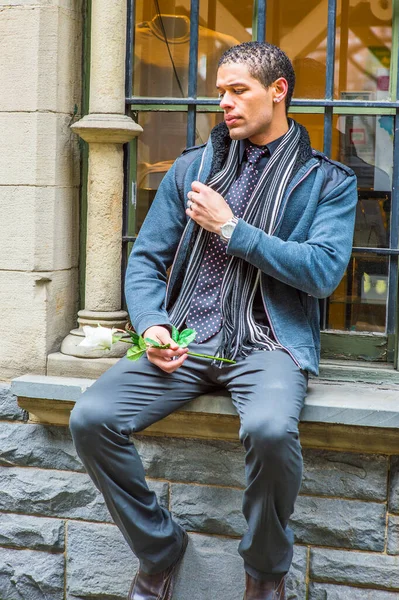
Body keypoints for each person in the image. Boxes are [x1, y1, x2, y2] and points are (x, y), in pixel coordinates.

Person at [70, 41, 358, 600]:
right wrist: (151, 323)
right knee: (91, 417)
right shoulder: (190, 170)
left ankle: (265, 571)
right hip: (185, 343)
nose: (223, 103)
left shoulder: (328, 181)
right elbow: (148, 260)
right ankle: (160, 551)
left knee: (271, 430)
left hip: (268, 346)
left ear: (278, 92)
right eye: (220, 92)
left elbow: (323, 272)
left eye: (237, 90)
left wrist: (232, 229)